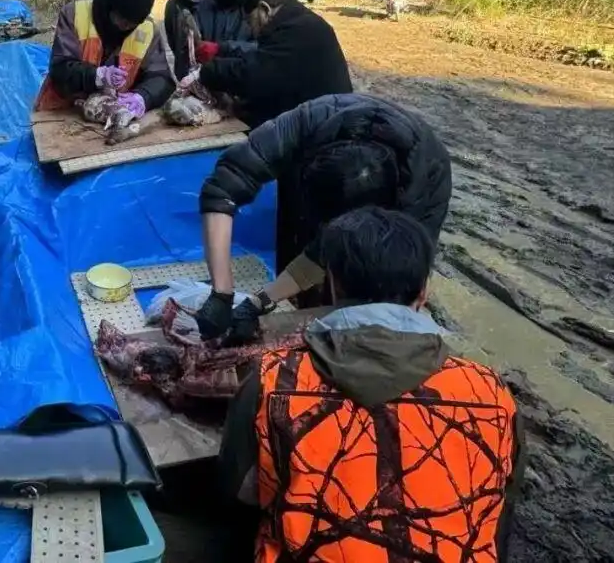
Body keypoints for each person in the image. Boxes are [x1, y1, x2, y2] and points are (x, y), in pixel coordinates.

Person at [217, 206, 523, 563]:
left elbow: (236, 493)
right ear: (423, 291)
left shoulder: (274, 381)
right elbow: (500, 510)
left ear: (332, 284)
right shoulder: (490, 394)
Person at [196, 93, 452, 340]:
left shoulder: (424, 182)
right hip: (322, 153)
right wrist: (226, 294)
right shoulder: (300, 127)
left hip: (413, 184)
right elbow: (223, 187)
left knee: (384, 285)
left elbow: (411, 280)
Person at [181, 0, 352, 128]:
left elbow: (255, 73)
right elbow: (262, 58)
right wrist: (222, 50)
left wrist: (207, 71)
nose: (252, 30)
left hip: (328, 128)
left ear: (264, 10)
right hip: (321, 115)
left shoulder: (301, 31)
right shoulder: (298, 22)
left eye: (250, 21)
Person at [35, 0, 175, 118]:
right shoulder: (74, 13)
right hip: (60, 113)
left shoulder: (148, 30)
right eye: (121, 18)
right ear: (112, 6)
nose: (124, 26)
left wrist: (143, 97)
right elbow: (59, 69)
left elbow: (162, 79)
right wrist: (97, 76)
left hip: (108, 114)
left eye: (130, 24)